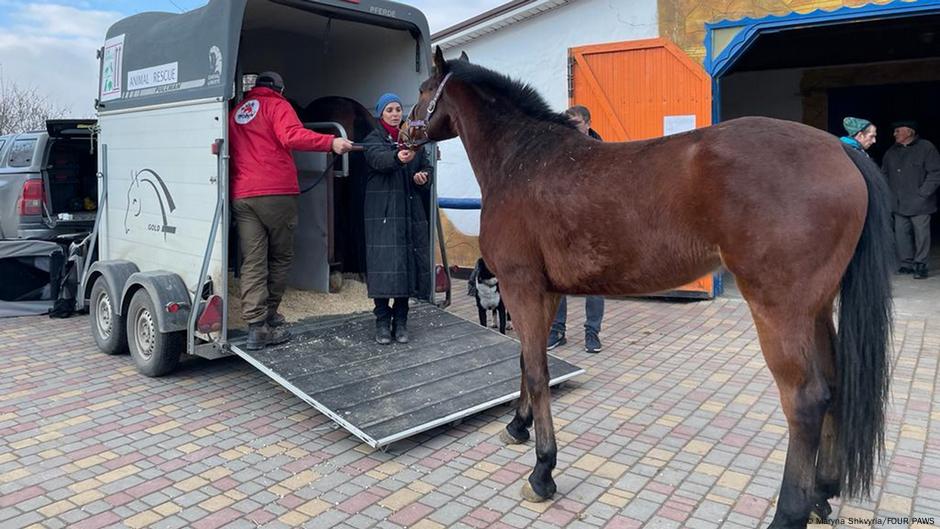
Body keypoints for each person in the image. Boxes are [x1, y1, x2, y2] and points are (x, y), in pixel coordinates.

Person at [229, 71, 353, 350]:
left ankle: (255, 326)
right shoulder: (277, 105)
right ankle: (270, 315)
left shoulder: (236, 112)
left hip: (242, 194)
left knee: (253, 260)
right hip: (275, 192)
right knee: (281, 256)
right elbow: (291, 135)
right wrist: (330, 142)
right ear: (280, 89)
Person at [362, 93, 433, 344]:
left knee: (405, 267)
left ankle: (401, 321)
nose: (395, 113)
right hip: (383, 214)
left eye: (398, 109)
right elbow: (378, 159)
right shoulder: (373, 140)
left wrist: (422, 176)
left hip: (409, 214)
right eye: (389, 109)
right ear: (381, 113)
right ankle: (382, 321)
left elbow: (426, 166)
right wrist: (397, 157)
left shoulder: (411, 141)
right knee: (383, 268)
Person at [546, 105, 605, 353]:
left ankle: (592, 333)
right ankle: (558, 331)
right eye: (567, 124)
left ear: (588, 124)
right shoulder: (558, 155)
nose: (571, 129)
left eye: (576, 124)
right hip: (563, 229)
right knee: (558, 280)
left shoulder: (605, 154)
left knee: (595, 282)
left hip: (593, 229)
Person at [882, 120, 940, 279]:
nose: (894, 134)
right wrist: (889, 194)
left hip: (921, 203)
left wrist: (923, 194)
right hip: (898, 203)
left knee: (922, 236)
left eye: (897, 131)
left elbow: (935, 173)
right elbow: (884, 174)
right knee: (901, 235)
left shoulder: (927, 148)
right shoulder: (891, 152)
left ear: (909, 132)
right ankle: (906, 264)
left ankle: (921, 265)